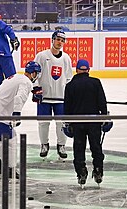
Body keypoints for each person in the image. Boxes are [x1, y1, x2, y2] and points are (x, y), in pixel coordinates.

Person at [0, 61, 41, 175]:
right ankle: (9, 169)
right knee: (11, 140)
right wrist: (17, 114)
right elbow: (19, 97)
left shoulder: (17, 76)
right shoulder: (26, 83)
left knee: (6, 139)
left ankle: (3, 167)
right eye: (37, 73)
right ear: (33, 73)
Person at [63, 59, 108, 186]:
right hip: (94, 122)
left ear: (76, 70)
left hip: (78, 122)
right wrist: (104, 118)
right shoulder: (96, 82)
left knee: (79, 149)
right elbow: (102, 102)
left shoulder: (70, 85)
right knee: (96, 147)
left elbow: (67, 107)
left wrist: (67, 123)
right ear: (88, 70)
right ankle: (98, 170)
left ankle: (81, 172)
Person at [34, 30, 73, 160]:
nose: (60, 42)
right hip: (44, 97)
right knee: (43, 123)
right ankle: (44, 144)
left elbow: (69, 78)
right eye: (58, 39)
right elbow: (34, 74)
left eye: (62, 40)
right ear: (52, 39)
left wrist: (69, 94)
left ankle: (61, 145)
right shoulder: (41, 56)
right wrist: (36, 90)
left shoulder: (66, 58)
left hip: (61, 98)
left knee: (61, 123)